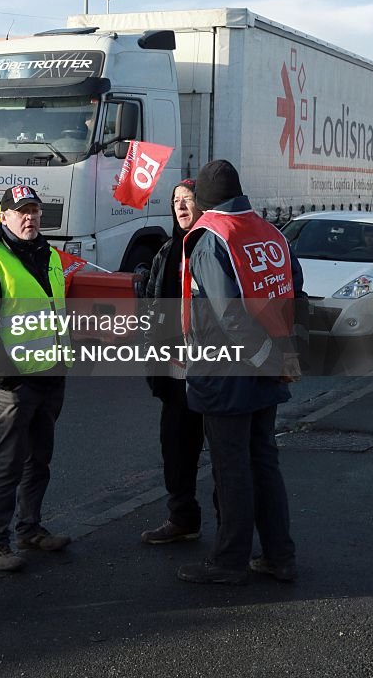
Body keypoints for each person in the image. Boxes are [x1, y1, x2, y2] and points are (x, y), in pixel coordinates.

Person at [176, 160, 306, 586]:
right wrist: (284, 355)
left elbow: (229, 317)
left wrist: (269, 356)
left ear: (208, 201)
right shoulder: (272, 235)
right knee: (264, 462)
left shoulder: (212, 239)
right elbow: (294, 295)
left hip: (225, 371)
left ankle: (229, 560)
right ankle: (279, 555)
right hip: (266, 371)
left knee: (232, 468)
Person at [0, 185, 71, 573]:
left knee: (39, 461)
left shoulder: (49, 254)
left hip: (49, 377)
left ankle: (30, 528)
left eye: (35, 211)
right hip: (12, 386)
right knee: (7, 464)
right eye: (21, 211)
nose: (30, 217)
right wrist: (6, 378)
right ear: (3, 216)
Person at [140, 180, 206, 545]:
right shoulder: (167, 250)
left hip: (212, 370)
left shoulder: (213, 244)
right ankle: (183, 518)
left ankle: (232, 533)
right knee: (177, 450)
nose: (181, 208)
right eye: (175, 202)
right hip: (175, 371)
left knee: (226, 455)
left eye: (188, 200)